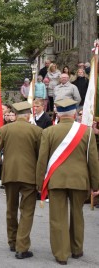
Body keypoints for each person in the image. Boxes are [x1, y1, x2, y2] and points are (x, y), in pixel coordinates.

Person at [36, 99, 99, 265]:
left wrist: (39, 183)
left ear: (57, 114)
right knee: (78, 215)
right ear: (73, 114)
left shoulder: (48, 132)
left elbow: (42, 160)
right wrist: (95, 185)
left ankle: (61, 254)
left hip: (56, 180)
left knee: (58, 217)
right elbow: (93, 160)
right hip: (80, 180)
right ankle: (77, 250)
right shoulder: (87, 132)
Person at [0, 101, 42, 260]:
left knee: (11, 209)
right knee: (27, 211)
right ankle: (22, 247)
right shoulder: (37, 131)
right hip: (29, 176)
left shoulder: (5, 129)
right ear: (28, 115)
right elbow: (41, 155)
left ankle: (12, 242)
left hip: (10, 174)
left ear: (16, 115)